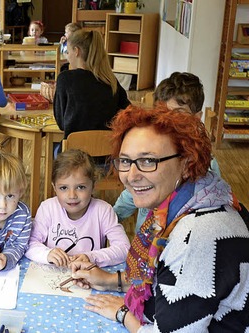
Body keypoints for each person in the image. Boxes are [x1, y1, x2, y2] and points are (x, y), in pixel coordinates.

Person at [71, 105, 249, 332]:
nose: (132, 176)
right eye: (125, 161)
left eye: (148, 161)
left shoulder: (197, 236)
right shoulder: (197, 200)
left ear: (186, 164)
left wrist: (123, 314)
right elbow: (168, 279)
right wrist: (109, 280)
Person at [113, 72, 222, 231]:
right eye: (162, 113)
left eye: (178, 114)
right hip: (145, 245)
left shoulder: (207, 167)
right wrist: (104, 220)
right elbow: (130, 195)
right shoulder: (145, 155)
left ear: (197, 117)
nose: (169, 122)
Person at [25, 149, 130, 268]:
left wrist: (91, 257)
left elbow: (124, 248)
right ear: (54, 187)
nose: (72, 196)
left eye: (80, 187)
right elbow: (29, 244)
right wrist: (47, 254)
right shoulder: (47, 208)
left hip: (88, 278)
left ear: (93, 185)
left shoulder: (103, 210)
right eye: (64, 188)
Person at [53, 29, 130, 140]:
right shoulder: (110, 80)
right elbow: (127, 111)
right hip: (107, 152)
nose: (68, 58)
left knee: (55, 147)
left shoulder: (65, 79)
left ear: (76, 51)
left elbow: (61, 124)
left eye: (68, 53)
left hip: (75, 154)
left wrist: (55, 99)